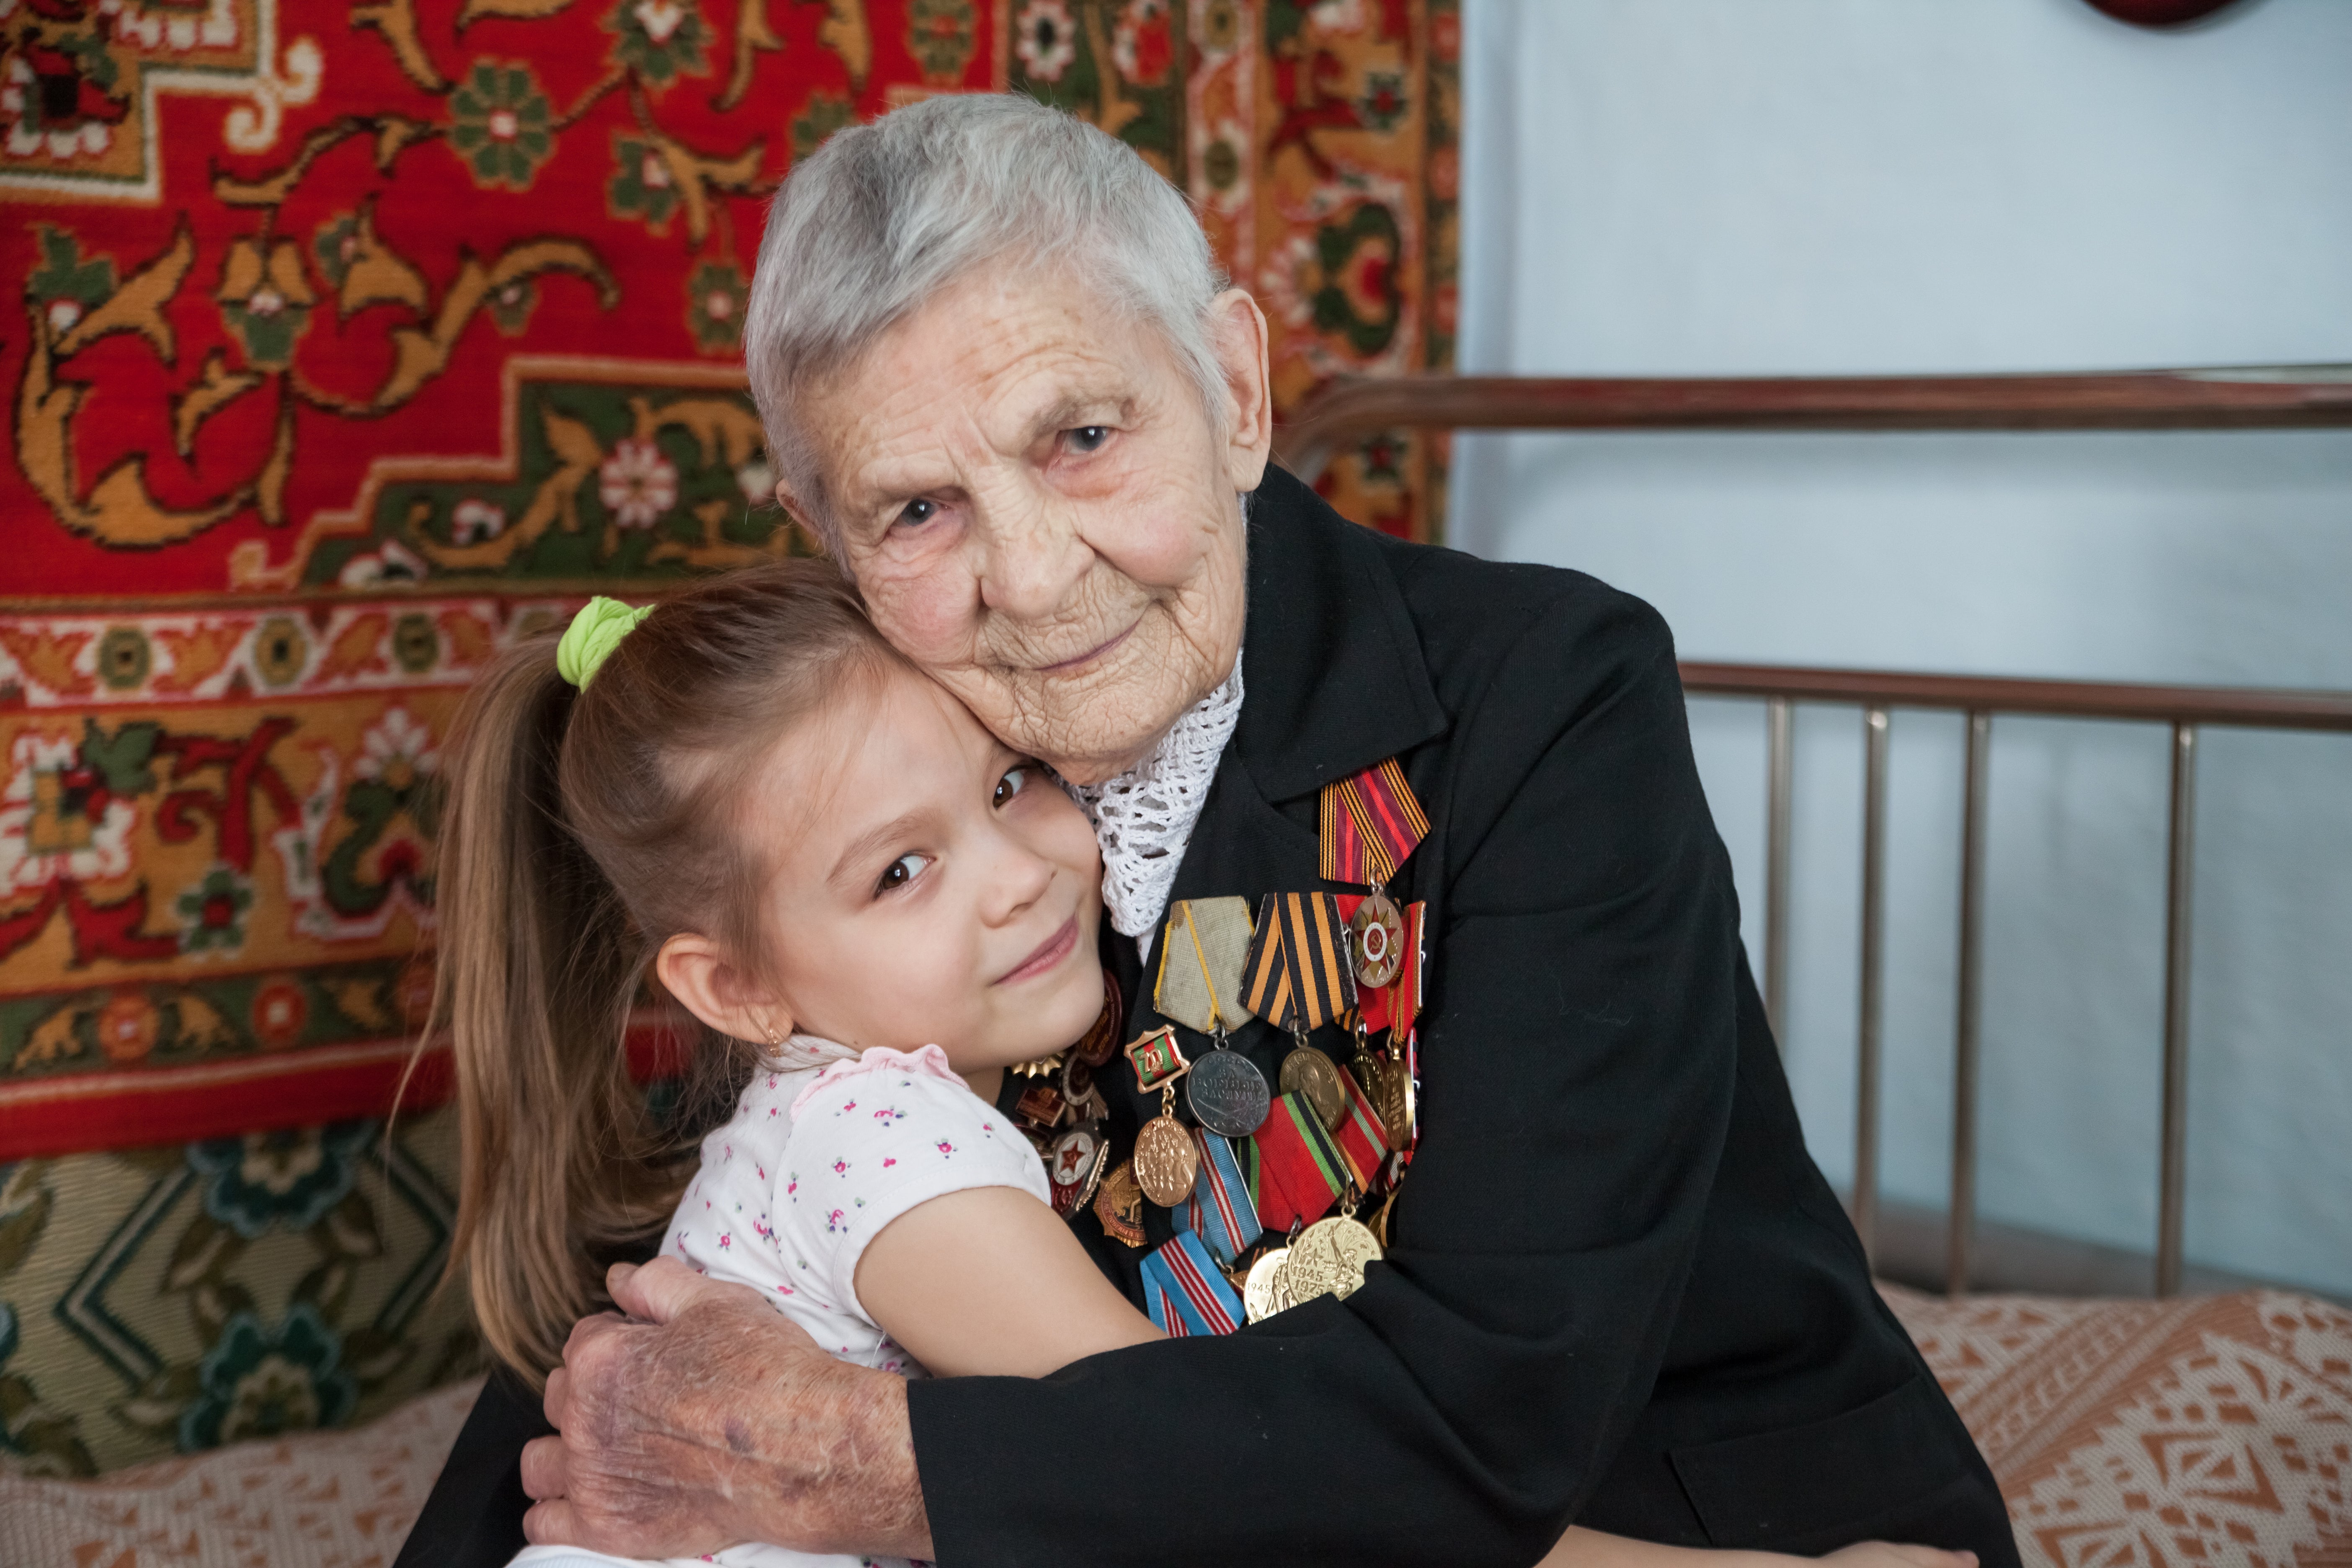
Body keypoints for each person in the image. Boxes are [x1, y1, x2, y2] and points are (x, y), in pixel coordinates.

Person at [398, 94, 2022, 1568]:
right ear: (826, 542)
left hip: (1679, 1518)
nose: (1032, 577)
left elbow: (1499, 1420)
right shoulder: (875, 766)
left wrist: (845, 1460)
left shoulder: (1547, 697)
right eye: (917, 509)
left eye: (1083, 438)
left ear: (1234, 392)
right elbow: (693, 1283)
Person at [436, 571, 1979, 1568]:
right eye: (901, 871)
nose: (1018, 875)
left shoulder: (838, 1109)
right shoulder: (897, 1155)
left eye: (1009, 781)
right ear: (740, 988)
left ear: (1232, 386)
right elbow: (1202, 1484)